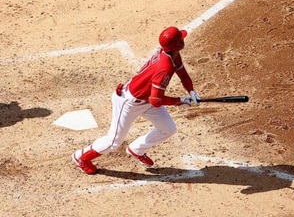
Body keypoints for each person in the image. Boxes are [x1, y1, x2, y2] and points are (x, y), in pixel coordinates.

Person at [71, 26, 201, 174]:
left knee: (168, 129)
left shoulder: (171, 54)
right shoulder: (164, 68)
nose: (183, 39)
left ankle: (136, 149)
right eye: (181, 38)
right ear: (178, 45)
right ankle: (81, 157)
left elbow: (182, 74)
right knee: (113, 142)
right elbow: (156, 101)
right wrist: (180, 100)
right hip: (129, 102)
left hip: (145, 99)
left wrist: (191, 91)